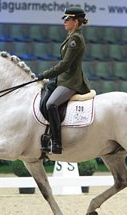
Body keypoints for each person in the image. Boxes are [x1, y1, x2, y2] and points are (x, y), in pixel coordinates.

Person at [37, 6, 91, 154]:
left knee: (51, 104)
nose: (64, 22)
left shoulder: (76, 39)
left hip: (71, 81)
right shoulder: (71, 36)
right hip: (62, 79)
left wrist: (45, 74)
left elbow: (65, 64)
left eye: (67, 19)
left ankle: (57, 142)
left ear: (75, 21)